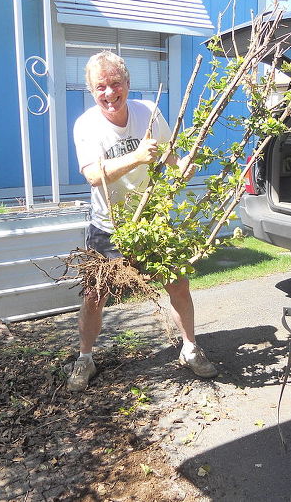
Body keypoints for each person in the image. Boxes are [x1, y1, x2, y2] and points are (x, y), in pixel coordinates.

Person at [68, 50, 217, 392]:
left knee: (178, 284)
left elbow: (169, 154)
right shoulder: (87, 125)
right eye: (100, 87)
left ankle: (190, 348)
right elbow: (93, 175)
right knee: (95, 295)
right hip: (109, 227)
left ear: (127, 84)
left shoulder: (148, 112)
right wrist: (136, 157)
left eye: (115, 84)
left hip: (152, 222)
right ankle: (85, 358)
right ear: (92, 91)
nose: (109, 93)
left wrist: (181, 168)